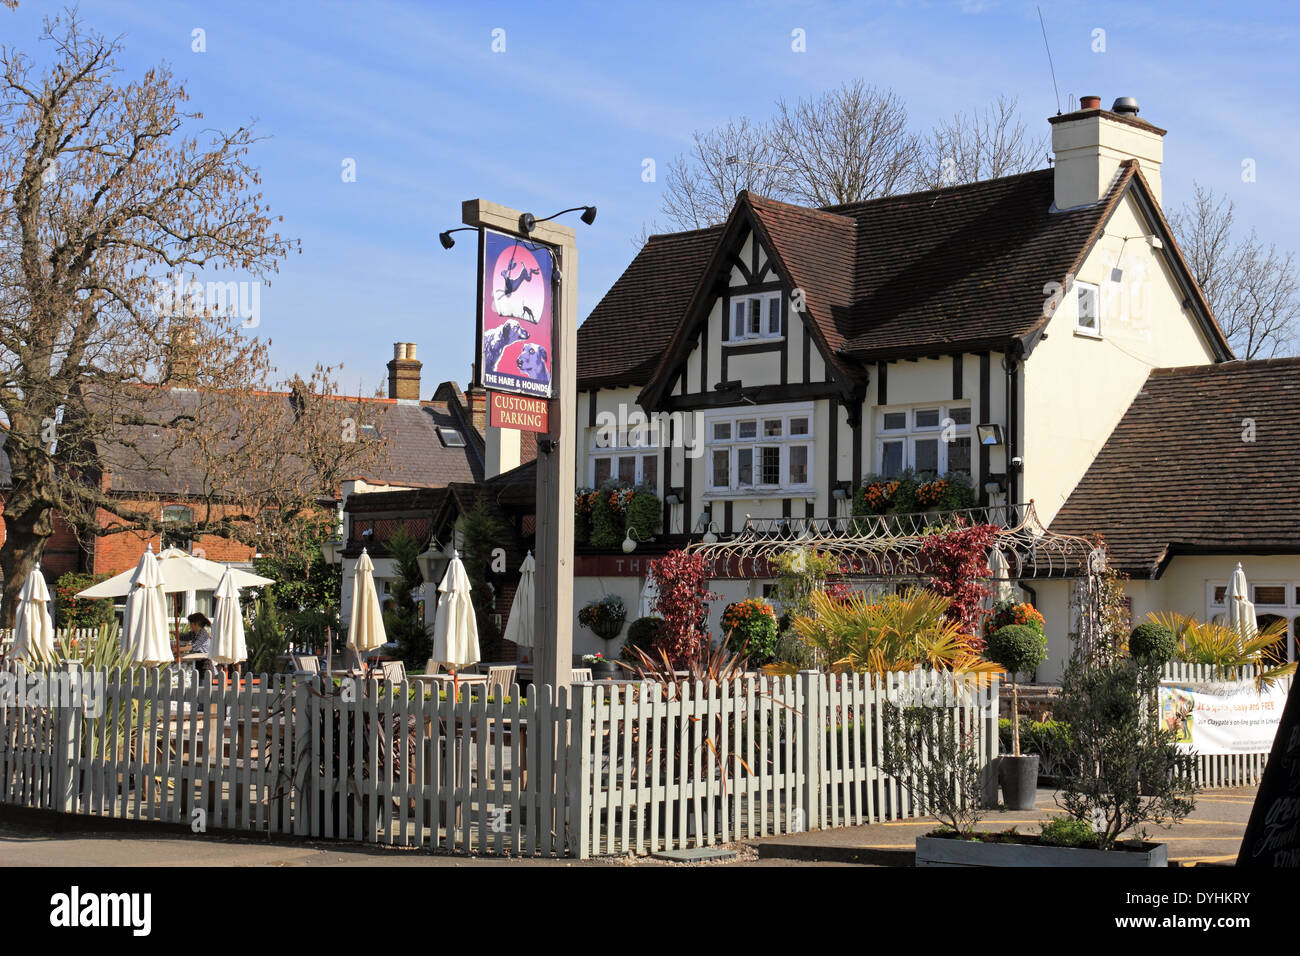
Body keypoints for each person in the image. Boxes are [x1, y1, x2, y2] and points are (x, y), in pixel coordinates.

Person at [187, 612, 212, 679]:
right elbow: (185, 636)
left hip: (205, 665)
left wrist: (178, 649)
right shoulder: (194, 633)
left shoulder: (202, 633)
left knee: (202, 686)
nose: (190, 625)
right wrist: (176, 634)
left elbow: (194, 646)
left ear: (196, 624)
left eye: (191, 623)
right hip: (197, 663)